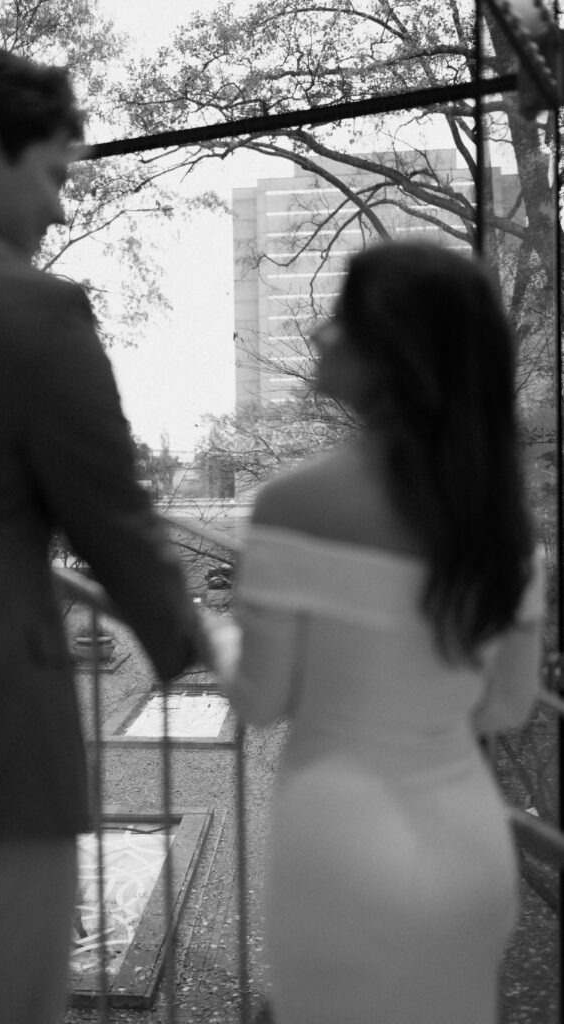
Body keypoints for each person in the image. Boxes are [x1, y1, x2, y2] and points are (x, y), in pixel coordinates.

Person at [0, 44, 201, 1024]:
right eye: (54, 175)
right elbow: (116, 525)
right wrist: (201, 647)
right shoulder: (26, 308)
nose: (60, 209)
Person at [207, 242, 544, 1024]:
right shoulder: (501, 521)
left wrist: (203, 630)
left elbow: (259, 698)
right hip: (469, 846)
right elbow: (506, 705)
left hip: (339, 849)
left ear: (388, 351)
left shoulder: (294, 504)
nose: (321, 336)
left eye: (339, 320)